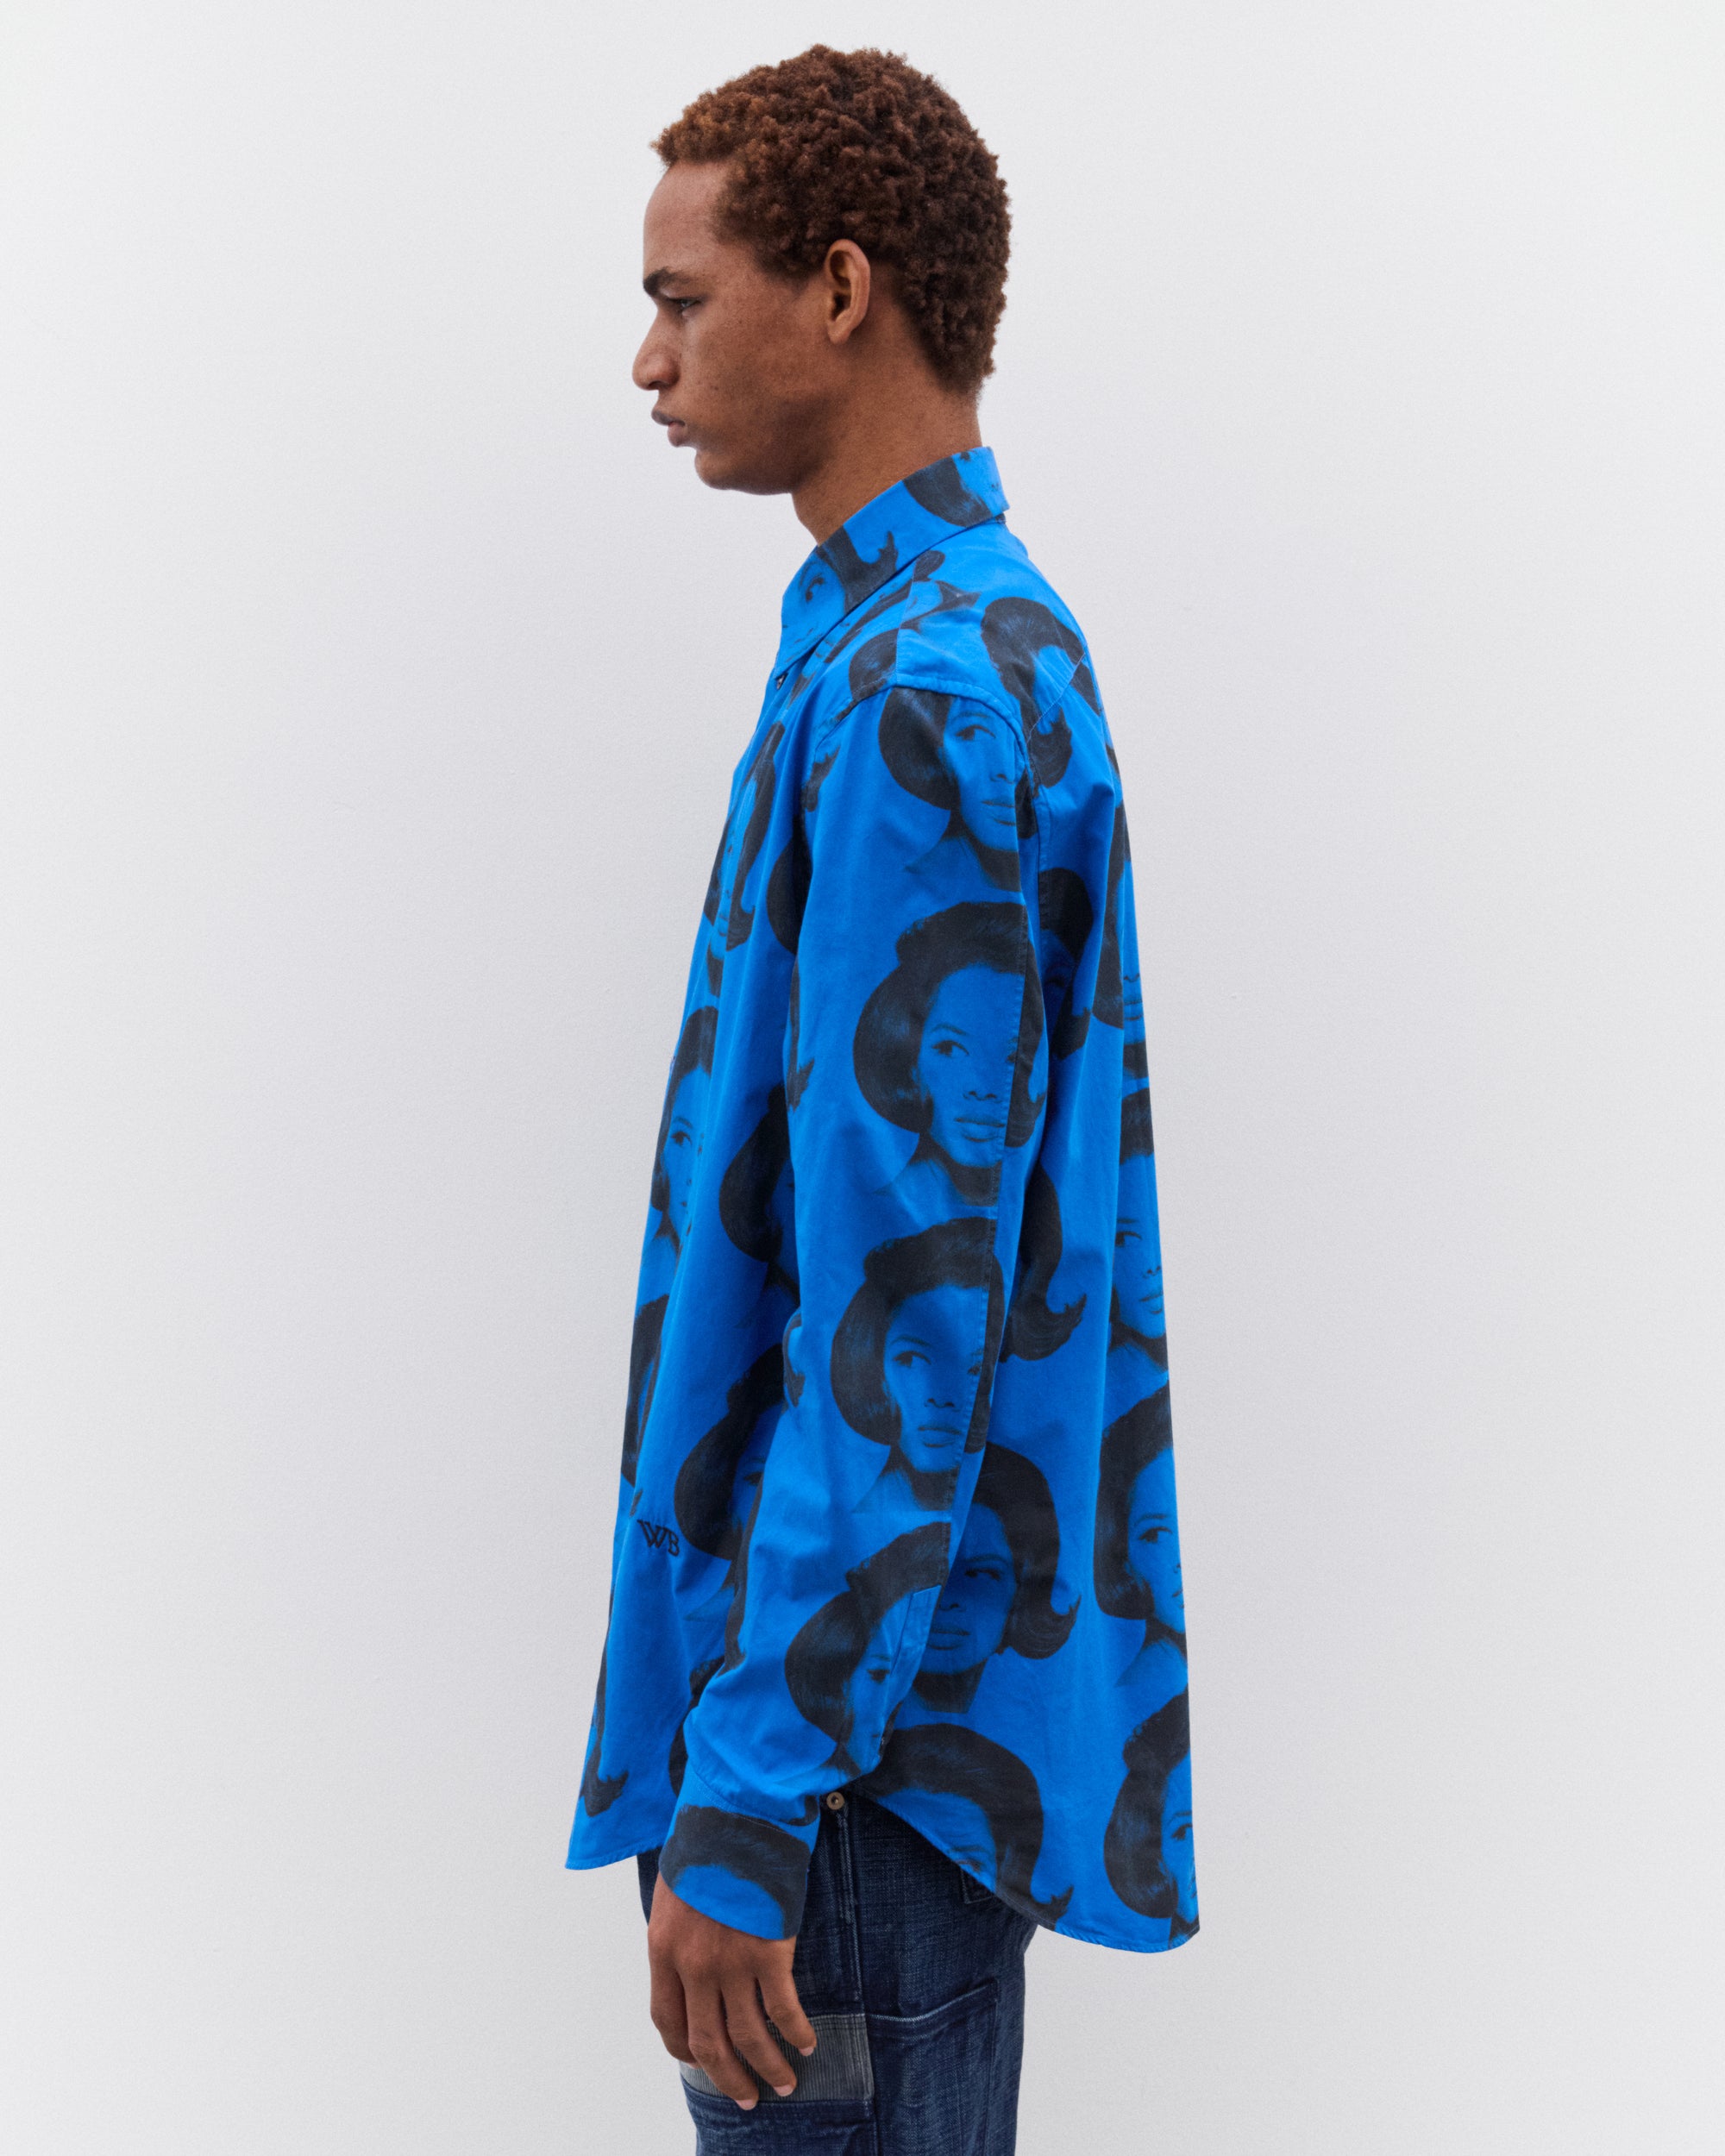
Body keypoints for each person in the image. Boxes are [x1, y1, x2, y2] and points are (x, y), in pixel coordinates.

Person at [567, 46, 1197, 2152]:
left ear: (839, 288)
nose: (648, 362)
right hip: (864, 1743)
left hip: (841, 1777)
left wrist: (751, 1790)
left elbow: (903, 1303)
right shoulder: (927, 637)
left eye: (681, 299)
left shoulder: (924, 686)